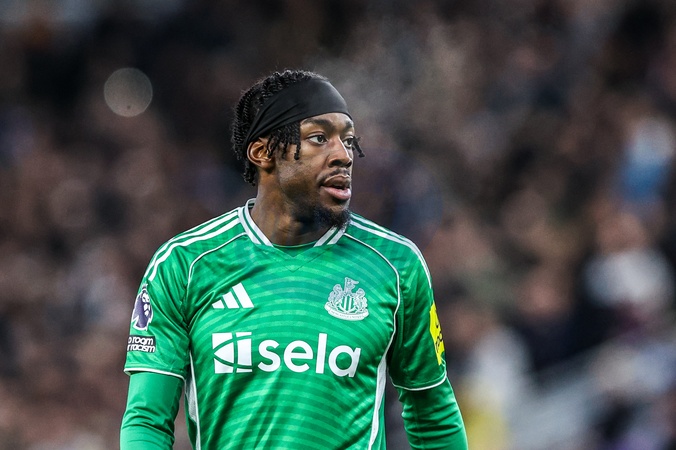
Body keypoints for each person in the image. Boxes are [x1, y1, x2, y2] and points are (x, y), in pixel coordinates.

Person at [120, 69, 467, 449]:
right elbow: (147, 421)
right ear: (263, 152)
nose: (344, 156)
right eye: (319, 138)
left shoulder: (395, 264)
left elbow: (433, 417)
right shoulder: (184, 265)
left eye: (349, 141)